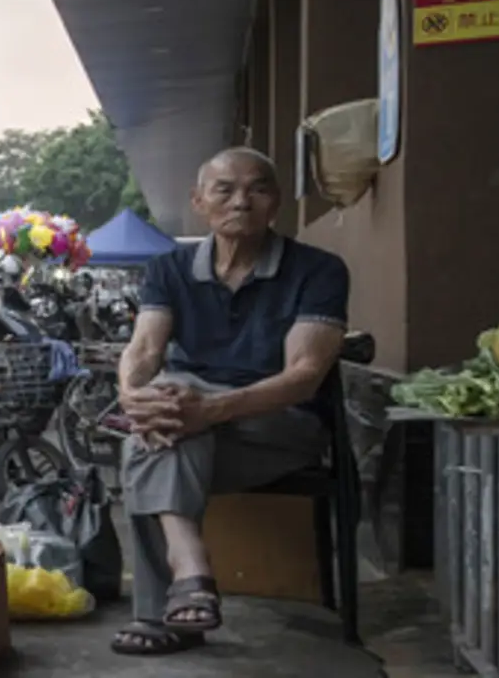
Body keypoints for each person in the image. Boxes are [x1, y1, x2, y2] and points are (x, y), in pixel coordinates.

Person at [112, 148, 348, 658]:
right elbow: (146, 348)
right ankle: (190, 580)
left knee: (159, 429)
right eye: (224, 189)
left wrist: (208, 408)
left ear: (276, 203)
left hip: (279, 427)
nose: (241, 201)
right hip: (198, 428)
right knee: (158, 423)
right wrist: (131, 394)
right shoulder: (169, 269)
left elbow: (303, 377)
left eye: (257, 188)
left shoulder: (319, 270)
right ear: (200, 202)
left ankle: (167, 601)